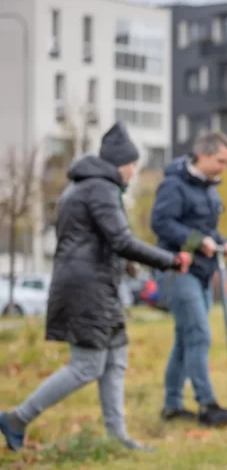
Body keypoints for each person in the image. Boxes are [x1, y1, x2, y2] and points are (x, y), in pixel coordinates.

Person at [0, 124, 191, 451]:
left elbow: (95, 239)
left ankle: (118, 439)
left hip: (98, 287)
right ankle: (17, 418)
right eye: (133, 165)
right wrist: (170, 260)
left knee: (116, 359)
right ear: (122, 164)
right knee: (86, 366)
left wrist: (126, 265)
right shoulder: (100, 188)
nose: (134, 171)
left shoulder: (81, 188)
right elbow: (120, 240)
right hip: (88, 290)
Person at [151, 130, 227, 428]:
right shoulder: (174, 185)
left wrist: (222, 241)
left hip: (202, 271)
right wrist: (195, 240)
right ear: (202, 155)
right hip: (177, 270)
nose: (223, 169)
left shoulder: (208, 190)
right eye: (220, 161)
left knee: (184, 339)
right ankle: (206, 404)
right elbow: (161, 223)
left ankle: (172, 405)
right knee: (199, 334)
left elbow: (207, 230)